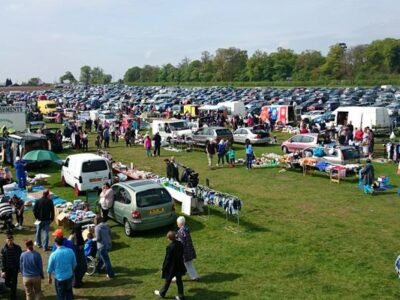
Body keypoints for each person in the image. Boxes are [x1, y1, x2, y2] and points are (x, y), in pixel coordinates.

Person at [154, 231, 186, 300]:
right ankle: (181, 296)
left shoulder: (170, 247)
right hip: (179, 265)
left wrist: (164, 268)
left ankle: (162, 293)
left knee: (168, 280)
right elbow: (182, 253)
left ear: (169, 239)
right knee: (179, 281)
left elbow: (167, 259)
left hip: (171, 267)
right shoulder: (180, 244)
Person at [176, 216, 198, 280]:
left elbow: (181, 243)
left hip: (184, 252)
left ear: (180, 223)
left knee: (179, 264)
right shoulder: (186, 229)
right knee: (189, 264)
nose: (177, 224)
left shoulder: (180, 232)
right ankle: (194, 276)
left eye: (177, 223)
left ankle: (177, 277)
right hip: (189, 250)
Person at [1, 234, 22, 300]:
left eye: (11, 240)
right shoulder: (3, 249)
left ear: (13, 240)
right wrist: (3, 270)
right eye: (9, 240)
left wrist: (20, 268)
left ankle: (13, 297)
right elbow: (2, 260)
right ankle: (13, 288)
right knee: (7, 283)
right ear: (6, 240)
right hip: (7, 269)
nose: (10, 242)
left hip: (15, 268)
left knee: (14, 282)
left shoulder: (18, 248)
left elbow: (21, 258)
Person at [70, 224, 87, 288]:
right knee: (77, 270)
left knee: (83, 268)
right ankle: (75, 283)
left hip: (81, 255)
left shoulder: (79, 235)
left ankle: (79, 281)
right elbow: (75, 246)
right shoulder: (73, 237)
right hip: (76, 256)